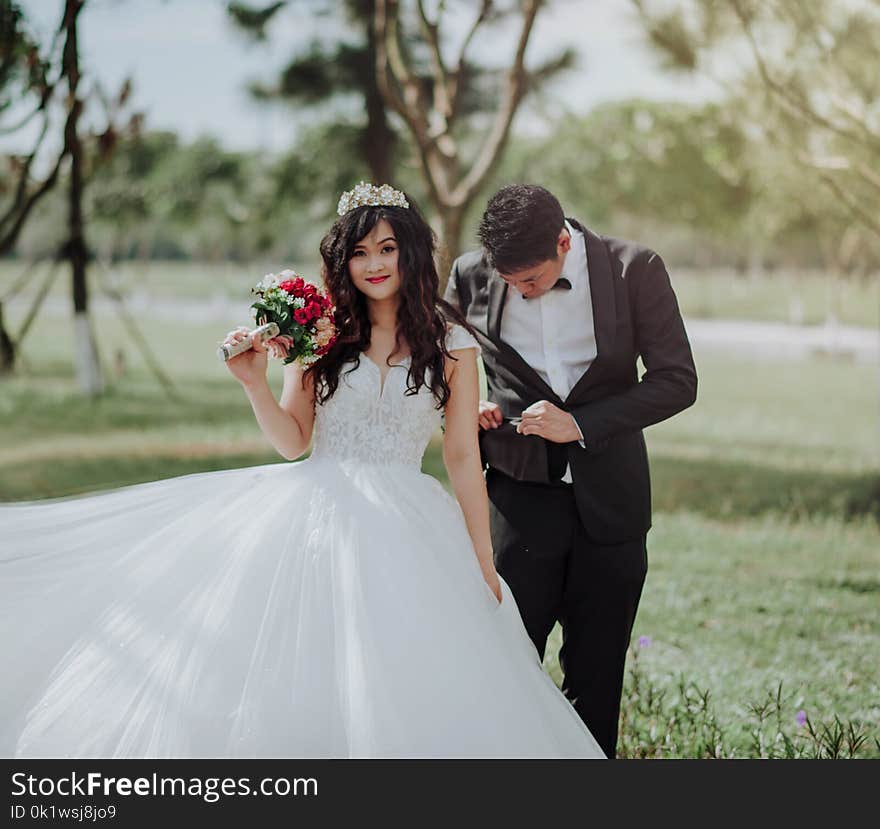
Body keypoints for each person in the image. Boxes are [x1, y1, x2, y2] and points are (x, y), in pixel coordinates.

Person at [0, 184, 604, 759]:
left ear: (412, 252)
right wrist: (254, 384)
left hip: (407, 523)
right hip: (314, 508)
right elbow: (293, 441)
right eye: (361, 252)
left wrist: (481, 562)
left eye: (388, 249)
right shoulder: (320, 334)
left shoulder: (452, 343)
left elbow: (462, 458)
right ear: (344, 261)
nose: (374, 264)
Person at [445, 184, 698, 758]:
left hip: (611, 509)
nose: (521, 293)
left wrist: (578, 423)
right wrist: (468, 407)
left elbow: (677, 381)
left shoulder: (636, 269)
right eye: (509, 282)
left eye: (530, 281)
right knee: (500, 672)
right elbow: (447, 369)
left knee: (596, 683)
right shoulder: (469, 274)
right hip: (515, 503)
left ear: (563, 242)